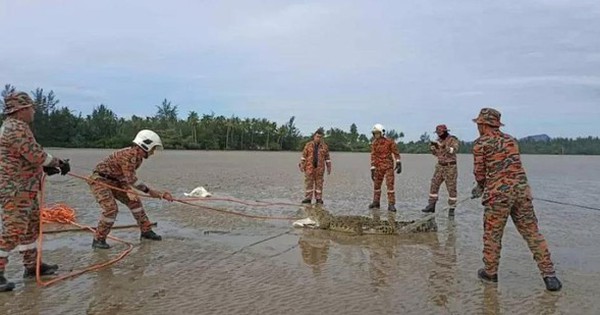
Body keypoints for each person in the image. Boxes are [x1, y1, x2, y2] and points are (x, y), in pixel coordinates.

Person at [471, 107, 562, 291]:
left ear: (483, 124)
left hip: (497, 197)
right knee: (532, 234)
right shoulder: (511, 141)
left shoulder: (481, 143)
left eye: (479, 124)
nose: (478, 127)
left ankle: (490, 273)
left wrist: (480, 187)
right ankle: (550, 276)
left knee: (492, 236)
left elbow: (479, 173)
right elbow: (513, 165)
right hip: (521, 193)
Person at [0, 91, 71, 292]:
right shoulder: (15, 128)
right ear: (21, 110)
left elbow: (27, 157)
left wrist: (44, 168)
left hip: (26, 189)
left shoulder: (18, 127)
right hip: (15, 191)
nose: (34, 112)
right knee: (13, 232)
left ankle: (32, 266)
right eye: (31, 108)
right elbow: (35, 154)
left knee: (31, 229)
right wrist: (57, 163)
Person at [89, 129, 174, 249]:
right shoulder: (129, 155)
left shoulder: (138, 159)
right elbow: (132, 180)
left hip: (118, 181)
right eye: (153, 149)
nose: (153, 152)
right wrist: (152, 192)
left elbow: (126, 177)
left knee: (135, 202)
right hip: (100, 180)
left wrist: (131, 190)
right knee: (111, 209)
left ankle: (146, 232)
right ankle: (99, 239)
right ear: (145, 145)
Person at [422, 124, 459, 215]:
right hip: (440, 166)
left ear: (445, 132)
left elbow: (453, 150)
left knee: (451, 188)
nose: (438, 135)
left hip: (450, 167)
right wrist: (433, 149)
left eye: (440, 133)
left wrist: (443, 146)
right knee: (434, 184)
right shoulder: (438, 140)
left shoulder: (453, 140)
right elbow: (437, 154)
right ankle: (431, 205)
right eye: (437, 133)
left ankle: (451, 209)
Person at [368, 124, 402, 212]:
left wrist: (398, 162)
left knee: (390, 185)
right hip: (378, 168)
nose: (376, 135)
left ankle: (391, 204)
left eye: (377, 133)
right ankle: (376, 202)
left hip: (388, 167)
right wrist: (372, 168)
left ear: (382, 133)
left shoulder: (389, 142)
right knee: (376, 185)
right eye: (375, 133)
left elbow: (396, 152)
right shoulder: (374, 143)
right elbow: (373, 155)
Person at [299, 128, 331, 204]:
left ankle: (318, 199)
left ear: (322, 138)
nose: (318, 138)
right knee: (309, 183)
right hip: (309, 168)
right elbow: (303, 156)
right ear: (314, 136)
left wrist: (329, 167)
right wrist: (302, 165)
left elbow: (327, 158)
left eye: (320, 137)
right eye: (317, 136)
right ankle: (308, 198)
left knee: (319, 184)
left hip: (320, 169)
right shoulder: (308, 145)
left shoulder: (324, 147)